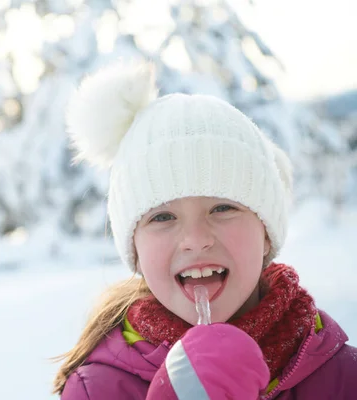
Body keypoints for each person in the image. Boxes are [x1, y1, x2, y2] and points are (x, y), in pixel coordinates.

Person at [52, 61, 357, 399]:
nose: (196, 240)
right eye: (163, 217)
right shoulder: (99, 390)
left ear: (266, 231)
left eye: (223, 208)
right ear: (134, 248)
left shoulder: (342, 377)